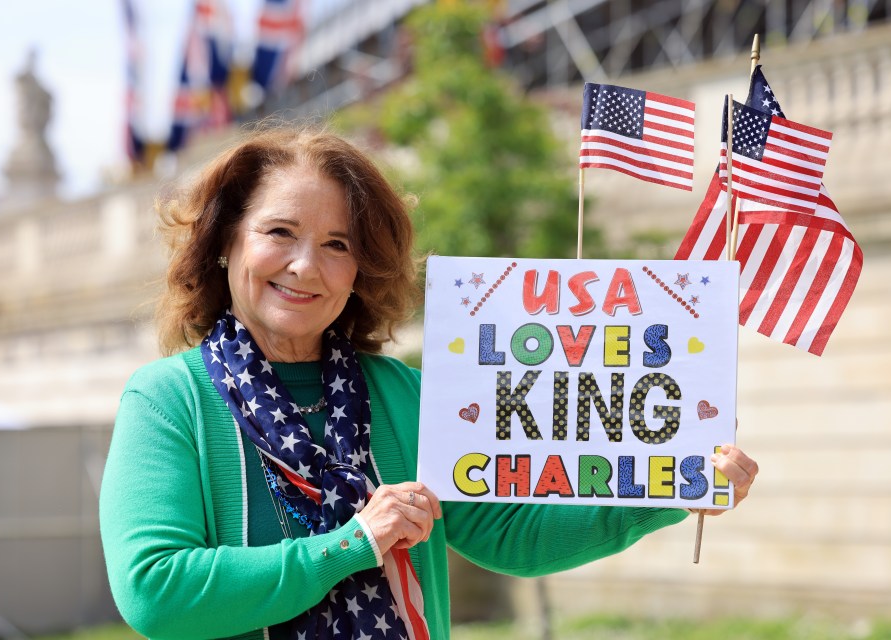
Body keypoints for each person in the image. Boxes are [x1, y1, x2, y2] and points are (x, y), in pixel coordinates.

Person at [99, 127, 759, 640]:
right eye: (279, 232)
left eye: (337, 243)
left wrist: (672, 487)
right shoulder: (167, 401)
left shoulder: (406, 395)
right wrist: (352, 545)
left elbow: (510, 534)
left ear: (361, 267)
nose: (306, 265)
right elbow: (155, 592)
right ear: (224, 243)